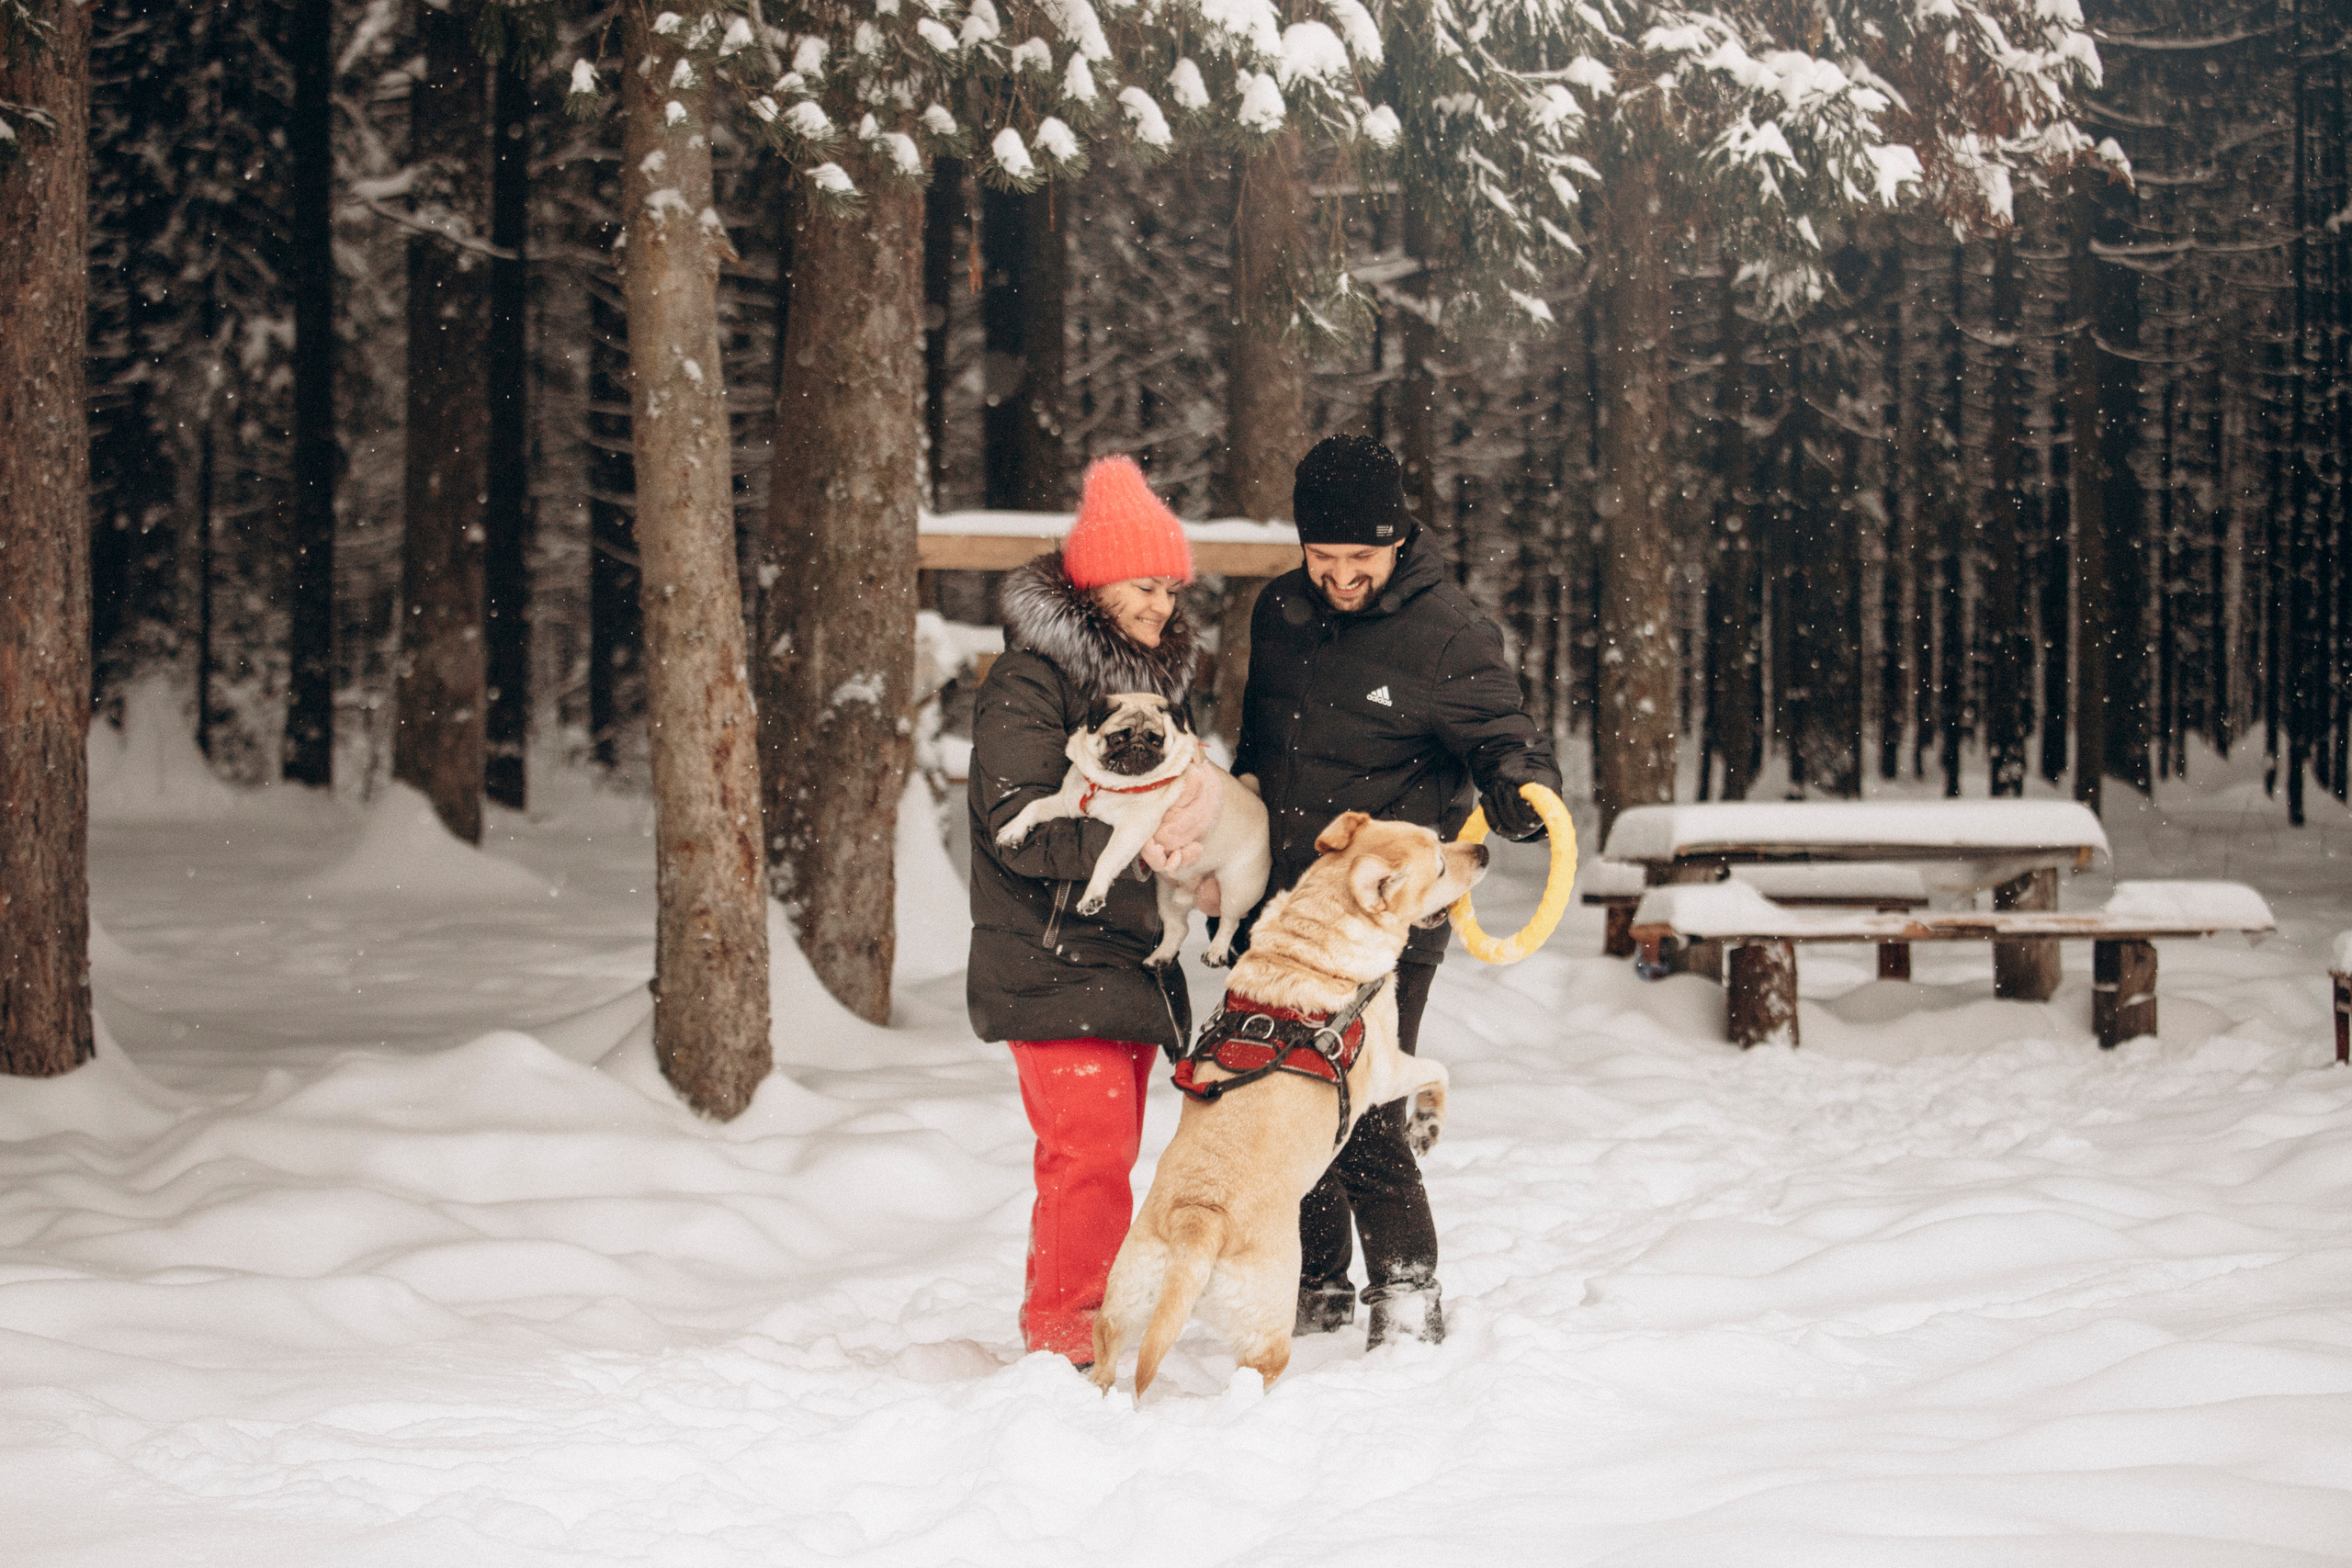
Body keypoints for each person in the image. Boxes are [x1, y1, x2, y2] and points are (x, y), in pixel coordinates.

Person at [1160, 434, 1562, 1348]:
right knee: (1280, 1093)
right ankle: (1316, 1285)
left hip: (1385, 916)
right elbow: (1260, 743)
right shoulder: (1278, 611)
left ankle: (1408, 1295)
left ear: (1398, 540)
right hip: (1289, 905)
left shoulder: (1446, 630)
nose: (1340, 576)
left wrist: (1521, 791)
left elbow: (1505, 734)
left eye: (1361, 558)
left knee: (1364, 1102)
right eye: (1323, 556)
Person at [966, 454, 1223, 1365]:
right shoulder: (1031, 683)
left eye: (1169, 588)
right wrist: (1129, 848)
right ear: (1096, 582)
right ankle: (1067, 1338)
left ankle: (1093, 1317)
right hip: (1048, 956)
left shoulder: (1151, 691)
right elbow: (1013, 828)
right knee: (1089, 1155)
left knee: (1108, 1157)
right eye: (1144, 586)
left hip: (1125, 957)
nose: (1161, 604)